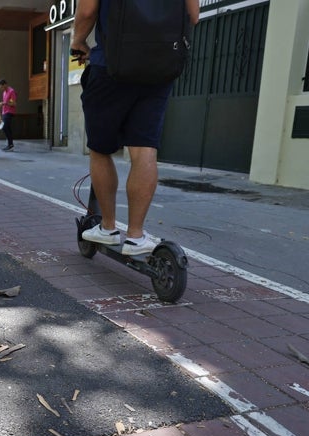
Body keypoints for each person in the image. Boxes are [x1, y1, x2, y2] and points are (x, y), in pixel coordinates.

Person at [71, 0, 199, 256]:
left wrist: (78, 41)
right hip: (159, 68)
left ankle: (107, 228)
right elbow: (193, 16)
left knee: (100, 148)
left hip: (111, 65)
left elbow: (86, 11)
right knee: (144, 149)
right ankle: (136, 236)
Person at [0, 79, 16, 151]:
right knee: (7, 128)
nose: (1, 89)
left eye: (1, 87)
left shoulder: (11, 91)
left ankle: (10, 144)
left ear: (5, 84)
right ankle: (10, 144)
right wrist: (2, 104)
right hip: (4, 112)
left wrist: (4, 103)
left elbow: (13, 103)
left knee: (4, 127)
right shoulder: (4, 92)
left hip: (9, 112)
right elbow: (6, 102)